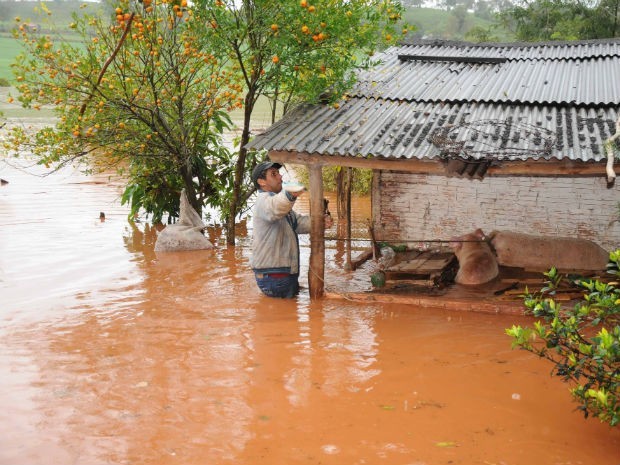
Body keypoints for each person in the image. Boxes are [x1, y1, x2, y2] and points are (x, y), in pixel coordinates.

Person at [250, 161, 333, 298]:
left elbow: (298, 223)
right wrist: (290, 194)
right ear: (262, 182)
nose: (280, 177)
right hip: (275, 276)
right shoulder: (264, 201)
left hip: (281, 275)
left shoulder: (279, 205)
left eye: (278, 173)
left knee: (284, 312)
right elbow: (276, 207)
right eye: (274, 174)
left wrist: (320, 222)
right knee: (284, 315)